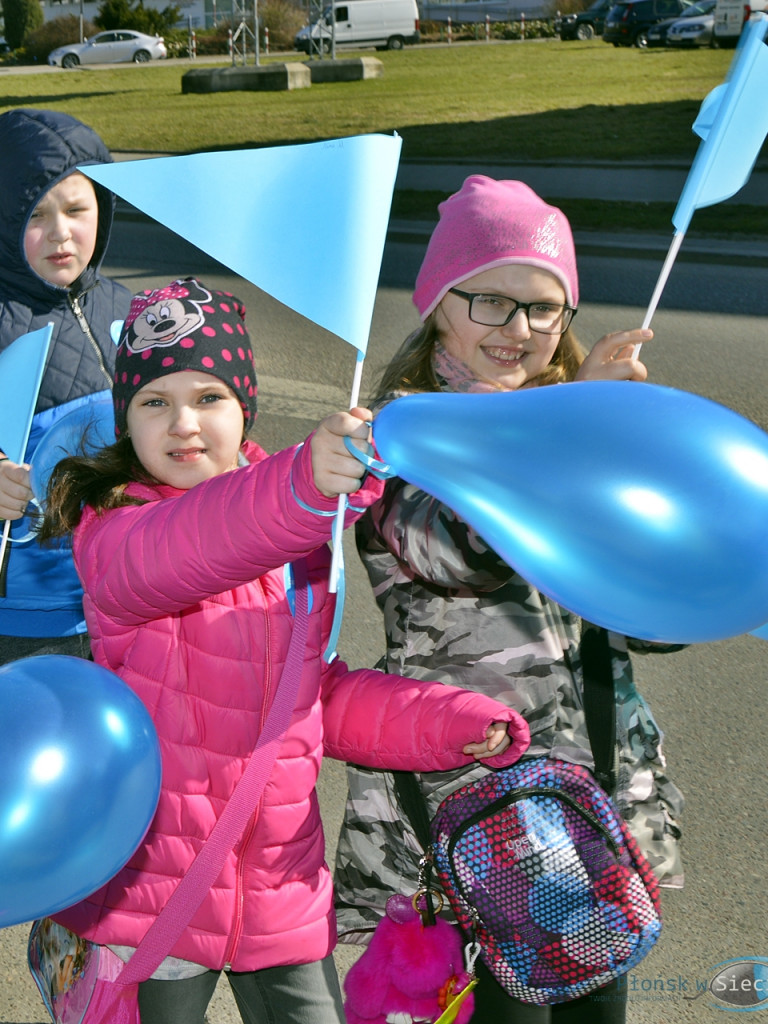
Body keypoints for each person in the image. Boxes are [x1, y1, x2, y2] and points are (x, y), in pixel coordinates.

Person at [36, 276, 532, 1024]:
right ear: (126, 422)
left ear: (246, 408)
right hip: (153, 897)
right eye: (154, 402)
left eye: (209, 397)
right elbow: (185, 547)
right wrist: (301, 485)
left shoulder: (293, 538)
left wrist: (452, 722)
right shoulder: (116, 532)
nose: (183, 424)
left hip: (279, 887)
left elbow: (311, 697)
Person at [333, 177, 685, 1023]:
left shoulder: (581, 423)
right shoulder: (402, 435)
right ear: (438, 304)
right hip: (478, 799)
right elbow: (456, 553)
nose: (519, 329)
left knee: (598, 1008)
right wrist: (570, 430)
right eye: (490, 301)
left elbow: (649, 612)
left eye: (544, 308)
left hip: (594, 784)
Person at [0, 107, 132, 663]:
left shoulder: (131, 309)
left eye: (77, 209)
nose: (61, 232)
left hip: (132, 594)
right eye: (35, 215)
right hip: (28, 614)